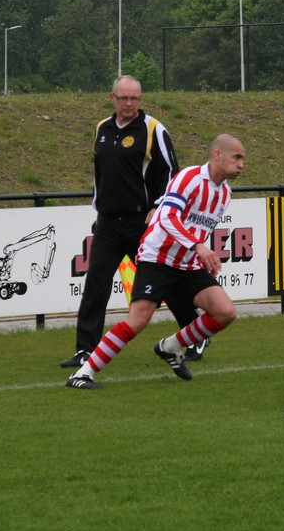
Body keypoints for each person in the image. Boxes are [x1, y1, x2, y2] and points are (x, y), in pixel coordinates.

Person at [66, 134, 246, 389]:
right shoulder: (189, 178)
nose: (241, 164)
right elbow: (168, 218)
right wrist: (198, 247)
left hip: (186, 263)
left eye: (242, 159)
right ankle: (82, 374)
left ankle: (169, 347)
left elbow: (199, 227)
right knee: (138, 320)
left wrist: (202, 255)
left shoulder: (225, 193)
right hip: (157, 258)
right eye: (236, 157)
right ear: (218, 155)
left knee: (225, 312)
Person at [60, 75, 207, 370]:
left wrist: (158, 207)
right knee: (96, 284)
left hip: (143, 223)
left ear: (140, 100)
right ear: (112, 98)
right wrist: (99, 207)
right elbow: (100, 174)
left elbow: (172, 174)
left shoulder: (153, 129)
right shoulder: (102, 128)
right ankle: (85, 350)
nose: (129, 104)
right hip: (108, 223)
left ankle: (195, 335)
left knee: (164, 282)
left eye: (134, 98)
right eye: (123, 98)